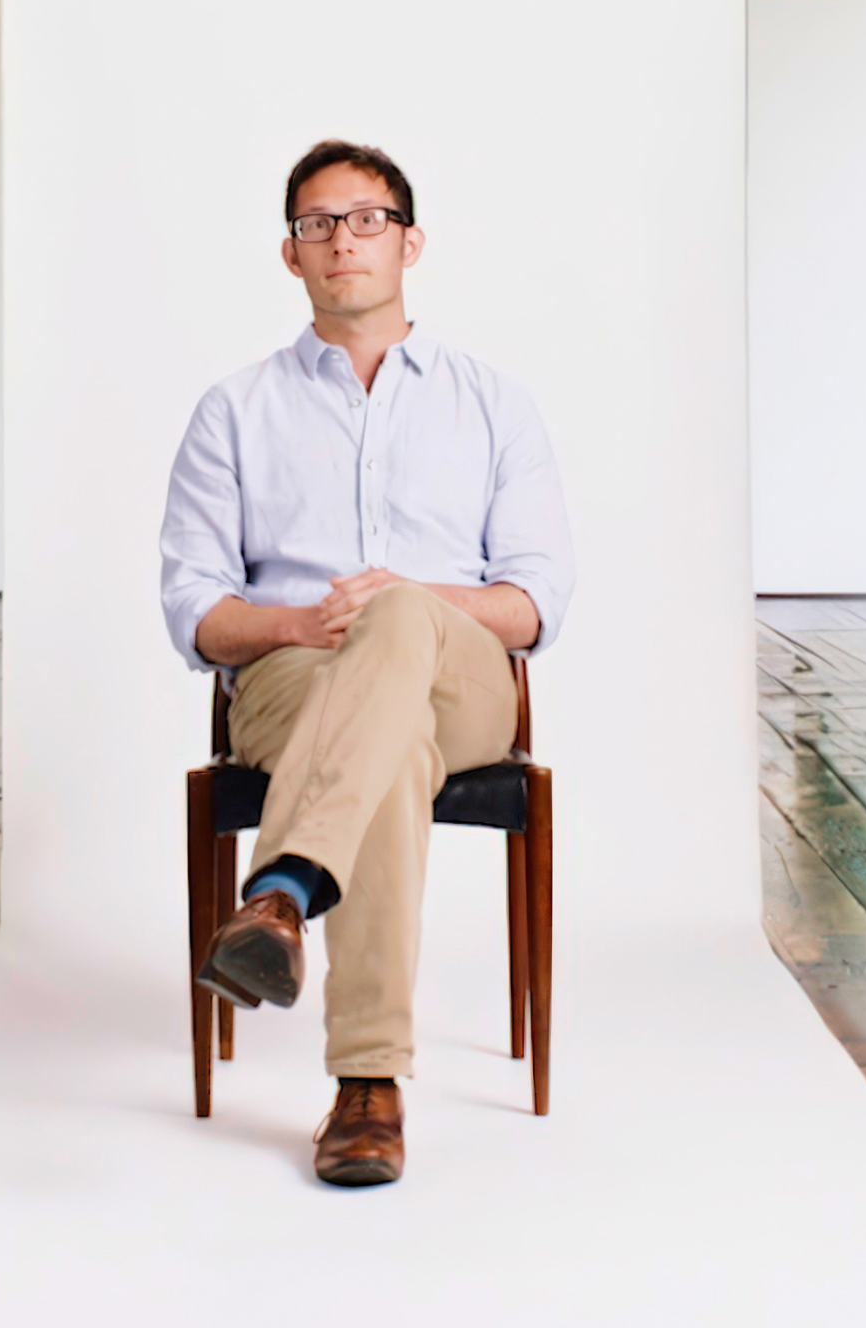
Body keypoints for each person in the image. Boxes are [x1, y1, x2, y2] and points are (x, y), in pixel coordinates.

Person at [158, 139, 574, 1188]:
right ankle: (365, 1085)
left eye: (366, 219)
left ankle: (284, 893)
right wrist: (301, 625)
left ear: (410, 242)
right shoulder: (233, 410)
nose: (342, 238)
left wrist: (403, 604)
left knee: (397, 625)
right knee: (384, 747)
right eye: (316, 223)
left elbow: (532, 603)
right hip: (296, 673)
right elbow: (197, 615)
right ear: (289, 255)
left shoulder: (492, 403)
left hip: (462, 674)